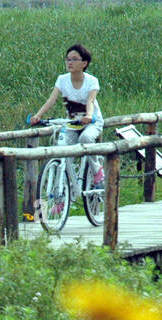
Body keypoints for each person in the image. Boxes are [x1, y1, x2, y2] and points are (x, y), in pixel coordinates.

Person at [28, 44, 106, 202]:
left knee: (85, 139)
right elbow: (51, 100)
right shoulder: (62, 80)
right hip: (72, 122)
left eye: (74, 59)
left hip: (92, 121)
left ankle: (97, 172)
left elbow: (90, 100)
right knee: (63, 150)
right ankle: (62, 197)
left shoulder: (92, 81)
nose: (70, 62)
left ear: (84, 63)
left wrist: (89, 115)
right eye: (68, 59)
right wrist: (38, 115)